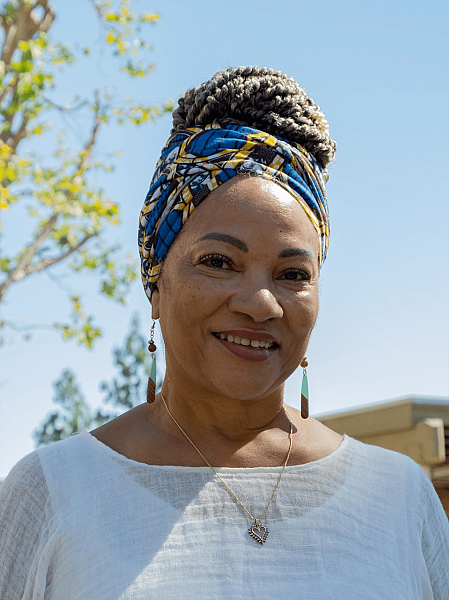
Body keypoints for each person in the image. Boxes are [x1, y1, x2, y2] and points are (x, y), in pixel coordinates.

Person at [1, 66, 448, 600]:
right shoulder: (52, 494)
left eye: (292, 274)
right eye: (219, 261)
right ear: (155, 284)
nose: (261, 303)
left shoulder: (399, 501)